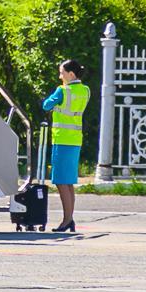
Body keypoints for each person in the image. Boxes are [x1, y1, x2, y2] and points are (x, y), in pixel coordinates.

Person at [40, 58, 90, 233]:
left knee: (61, 182)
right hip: (75, 139)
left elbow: (46, 105)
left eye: (62, 72)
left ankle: (67, 220)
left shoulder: (63, 91)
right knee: (68, 182)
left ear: (71, 74)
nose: (60, 76)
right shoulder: (85, 90)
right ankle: (69, 218)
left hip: (62, 139)